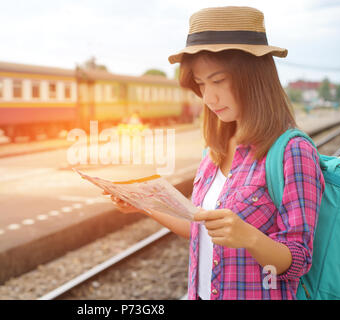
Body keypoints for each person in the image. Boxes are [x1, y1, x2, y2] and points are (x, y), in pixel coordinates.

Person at [104, 6, 326, 300]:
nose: (208, 98)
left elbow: (297, 261)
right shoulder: (214, 152)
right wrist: (145, 205)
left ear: (253, 76)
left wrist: (249, 237)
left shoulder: (293, 152)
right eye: (201, 84)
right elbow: (201, 227)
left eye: (218, 81)